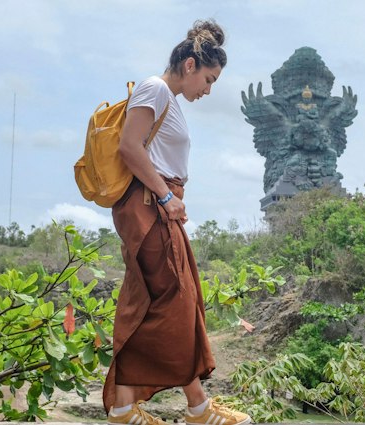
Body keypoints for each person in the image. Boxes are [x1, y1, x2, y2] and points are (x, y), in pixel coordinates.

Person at [103, 19, 251, 425]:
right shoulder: (154, 88)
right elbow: (130, 148)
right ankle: (199, 410)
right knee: (179, 302)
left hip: (156, 206)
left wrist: (169, 198)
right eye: (209, 78)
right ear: (190, 66)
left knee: (154, 304)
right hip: (151, 206)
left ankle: (123, 409)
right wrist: (167, 197)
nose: (208, 89)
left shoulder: (167, 99)